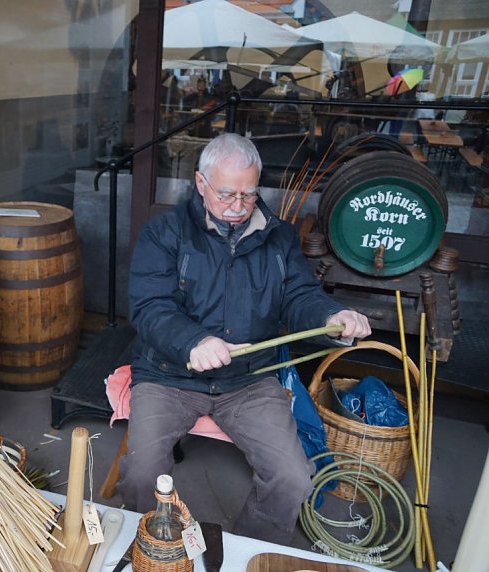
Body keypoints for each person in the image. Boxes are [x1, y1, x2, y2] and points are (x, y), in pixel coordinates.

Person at [118, 133, 371, 545]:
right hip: (169, 376)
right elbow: (150, 307)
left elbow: (299, 296)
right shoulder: (164, 233)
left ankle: (244, 551)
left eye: (248, 195)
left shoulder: (279, 238)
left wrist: (331, 316)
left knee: (292, 479)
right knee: (143, 473)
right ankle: (155, 549)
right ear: (200, 183)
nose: (238, 206)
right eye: (226, 194)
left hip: (249, 380)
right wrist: (193, 342)